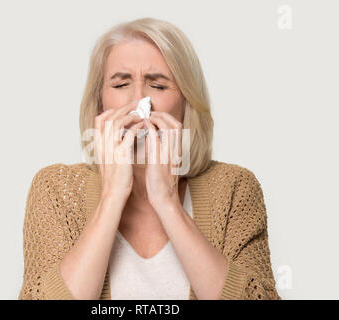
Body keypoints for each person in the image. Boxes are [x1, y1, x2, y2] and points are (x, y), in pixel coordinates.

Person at [18, 17, 281, 300]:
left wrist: (167, 202)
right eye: (120, 85)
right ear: (99, 102)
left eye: (158, 86)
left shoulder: (234, 187)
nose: (139, 103)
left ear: (186, 102)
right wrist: (112, 196)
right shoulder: (56, 189)